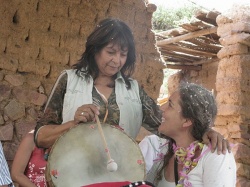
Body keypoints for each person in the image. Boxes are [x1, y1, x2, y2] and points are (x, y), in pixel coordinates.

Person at [145, 83, 236, 186]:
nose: (161, 108)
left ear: (187, 121)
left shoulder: (216, 155)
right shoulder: (163, 149)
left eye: (170, 105)